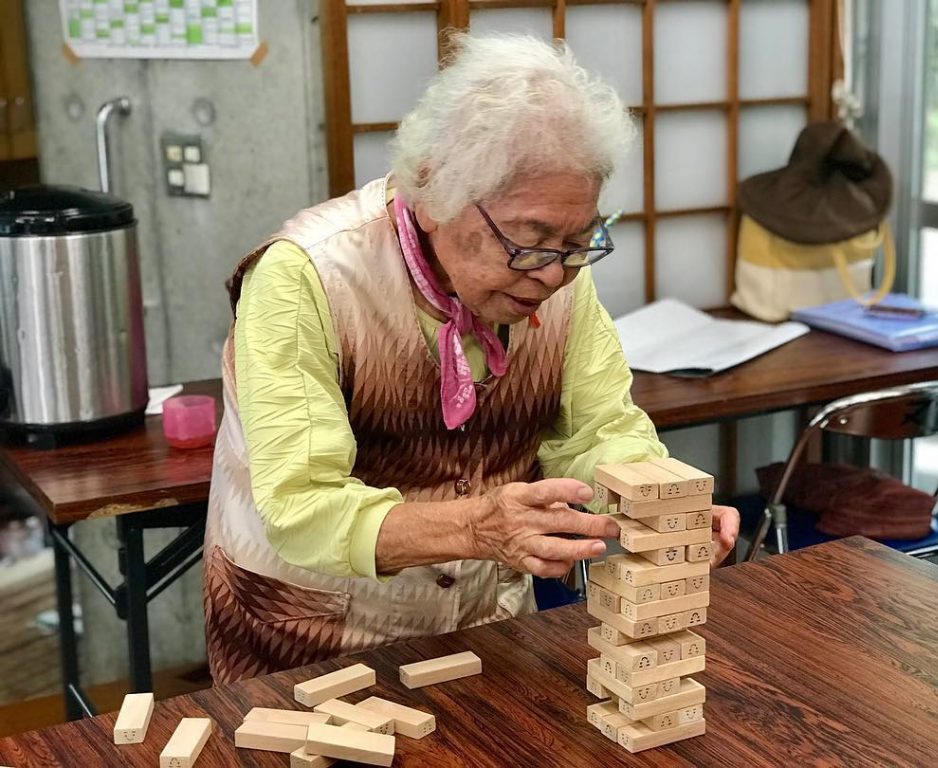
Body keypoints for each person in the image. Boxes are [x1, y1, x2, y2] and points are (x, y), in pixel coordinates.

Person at [203, 33, 739, 684]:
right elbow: (301, 507)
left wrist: (659, 500)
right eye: (529, 241)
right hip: (310, 635)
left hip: (485, 623)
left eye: (579, 240)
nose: (553, 274)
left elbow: (597, 431)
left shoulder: (557, 273)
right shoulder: (306, 278)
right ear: (432, 194)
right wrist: (480, 528)